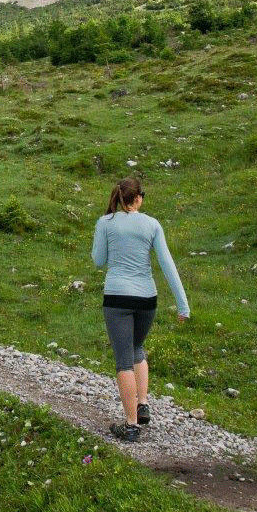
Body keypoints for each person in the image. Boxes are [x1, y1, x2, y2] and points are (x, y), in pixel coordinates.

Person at [91, 177, 190, 443]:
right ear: (138, 198)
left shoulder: (105, 223)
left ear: (119, 198)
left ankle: (131, 425)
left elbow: (98, 261)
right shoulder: (152, 224)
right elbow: (167, 264)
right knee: (137, 348)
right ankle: (143, 404)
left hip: (117, 296)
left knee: (123, 359)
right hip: (148, 297)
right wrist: (183, 304)